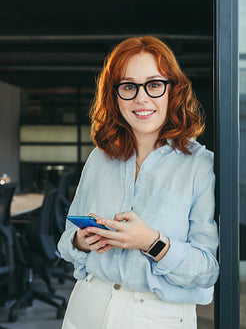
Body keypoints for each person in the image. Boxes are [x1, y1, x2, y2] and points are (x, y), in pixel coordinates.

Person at [57, 35, 219, 329]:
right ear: (115, 95)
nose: (141, 99)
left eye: (154, 84)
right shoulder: (99, 158)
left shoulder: (200, 164)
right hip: (88, 305)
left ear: (173, 90)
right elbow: (66, 243)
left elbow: (206, 270)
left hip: (157, 314)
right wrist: (82, 241)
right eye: (129, 86)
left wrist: (152, 243)